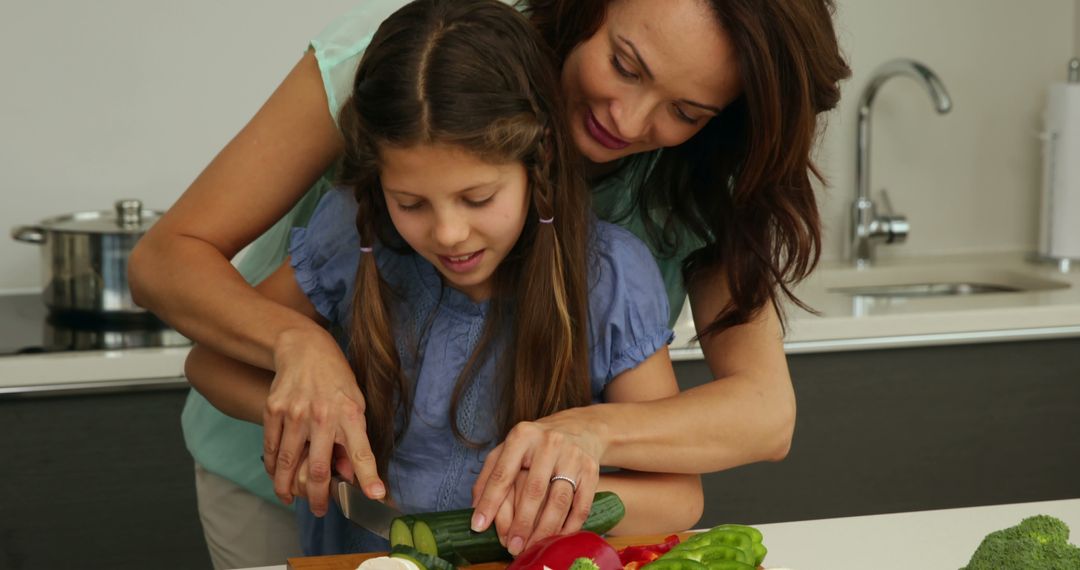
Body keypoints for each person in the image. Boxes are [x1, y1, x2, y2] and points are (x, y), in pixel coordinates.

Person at [129, 0, 849, 566]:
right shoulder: (422, 70)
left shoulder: (628, 253)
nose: (628, 119)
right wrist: (298, 346)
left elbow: (760, 414)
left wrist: (579, 439)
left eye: (686, 112)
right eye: (625, 64)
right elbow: (169, 263)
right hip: (296, 491)